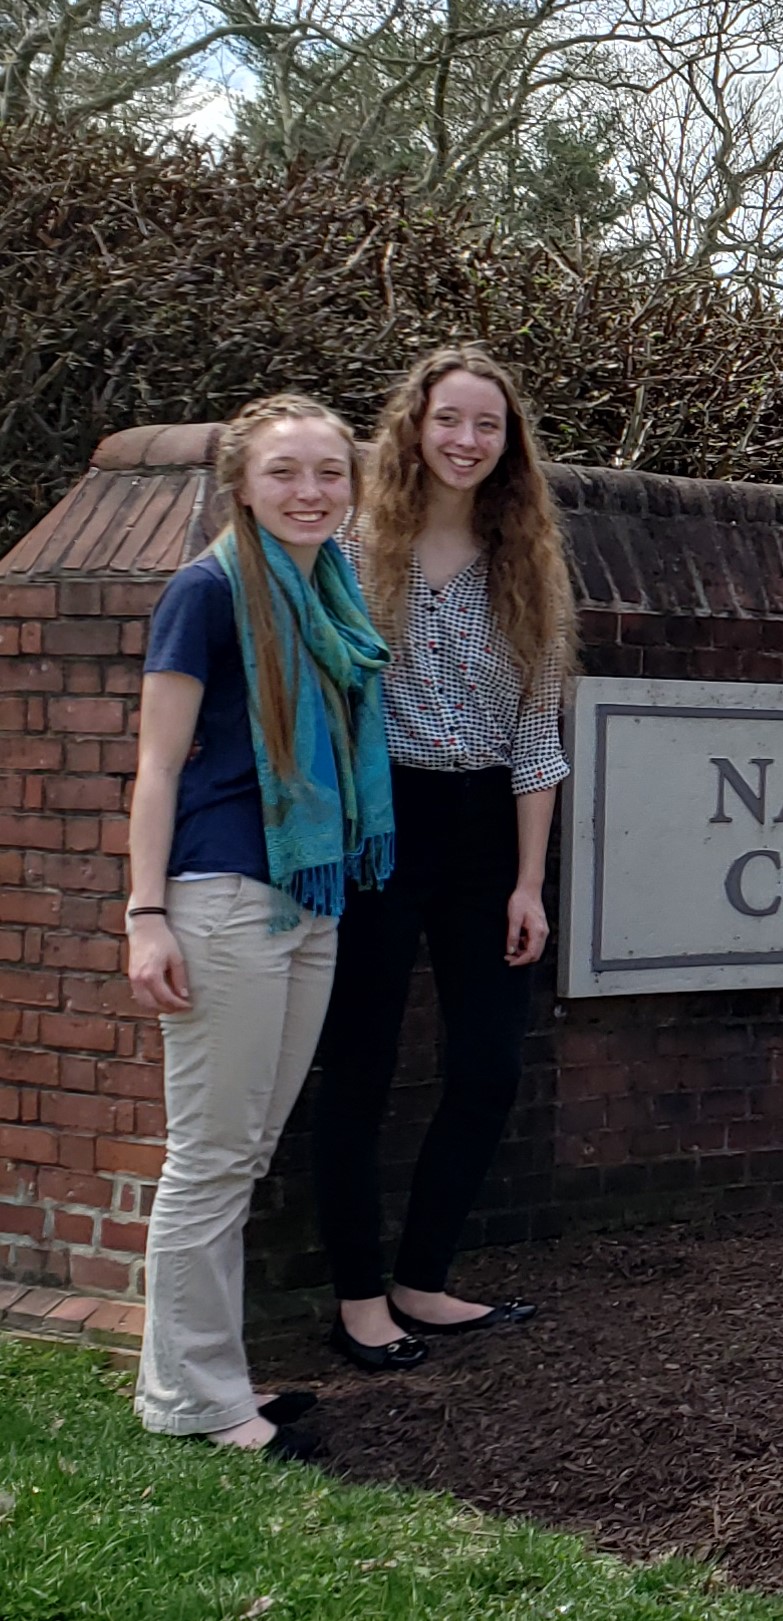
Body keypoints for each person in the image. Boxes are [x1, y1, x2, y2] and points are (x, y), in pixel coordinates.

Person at [126, 394, 395, 1454]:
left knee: (245, 1150)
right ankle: (197, 1401)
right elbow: (155, 766)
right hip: (222, 895)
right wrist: (146, 913)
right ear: (242, 482)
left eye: (329, 473)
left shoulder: (331, 594)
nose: (310, 492)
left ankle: (208, 1381)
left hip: (308, 893)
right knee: (210, 1153)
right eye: (286, 473)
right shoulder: (206, 593)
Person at [309, 346, 574, 1371]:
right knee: (361, 1067)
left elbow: (539, 736)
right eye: (449, 420)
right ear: (413, 427)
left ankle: (424, 1277)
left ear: (510, 446)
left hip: (484, 832)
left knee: (488, 1066)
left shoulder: (530, 565)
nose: (466, 440)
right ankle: (357, 1299)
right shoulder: (351, 547)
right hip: (380, 822)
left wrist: (527, 883)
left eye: (488, 426)